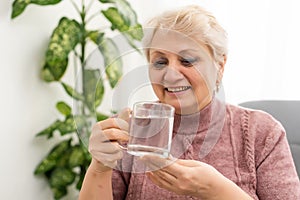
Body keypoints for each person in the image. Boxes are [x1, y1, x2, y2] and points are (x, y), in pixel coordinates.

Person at [79, 5, 300, 200]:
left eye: (187, 60)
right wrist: (99, 167)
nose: (171, 75)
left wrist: (215, 191)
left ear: (220, 66)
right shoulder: (130, 132)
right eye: (160, 62)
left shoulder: (262, 133)